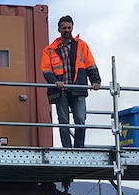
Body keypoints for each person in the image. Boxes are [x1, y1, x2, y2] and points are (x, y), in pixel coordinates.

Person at [41, 15, 101, 148]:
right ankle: (67, 148)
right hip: (60, 90)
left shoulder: (82, 46)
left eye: (69, 27)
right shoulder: (49, 50)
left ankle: (79, 147)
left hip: (78, 88)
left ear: (72, 28)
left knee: (80, 119)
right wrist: (55, 81)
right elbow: (46, 69)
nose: (67, 30)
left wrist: (95, 81)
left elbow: (90, 64)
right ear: (59, 30)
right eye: (64, 28)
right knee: (63, 121)